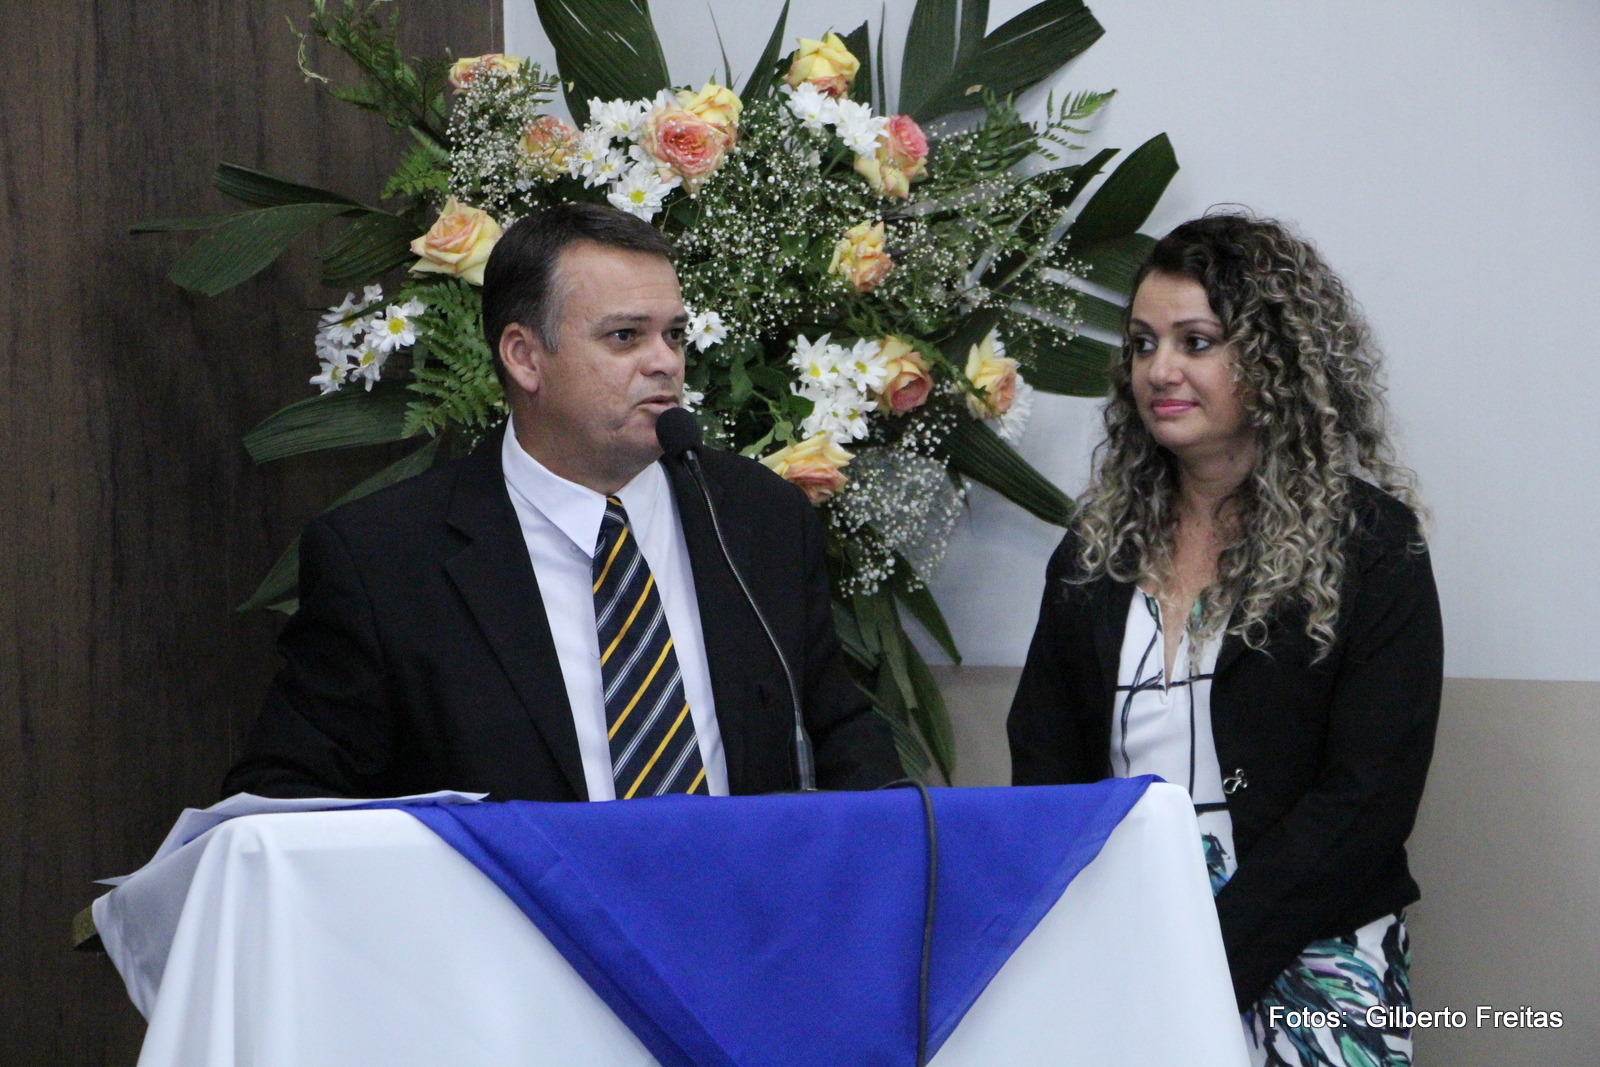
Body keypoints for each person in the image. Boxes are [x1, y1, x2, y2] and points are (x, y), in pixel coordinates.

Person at [224, 202, 901, 802]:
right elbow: (286, 797)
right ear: (524, 357)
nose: (666, 361)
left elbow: (837, 731)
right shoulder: (383, 559)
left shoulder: (758, 515)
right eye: (625, 336)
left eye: (674, 334)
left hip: (741, 900)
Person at [1007, 213, 1441, 1066]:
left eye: (1195, 341)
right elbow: (1046, 769)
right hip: (1125, 954)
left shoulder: (1372, 546)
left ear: (1274, 359)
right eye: (1142, 343)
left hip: (1316, 959)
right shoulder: (1093, 554)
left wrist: (1206, 955)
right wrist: (1110, 948)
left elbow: (1368, 796)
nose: (1159, 369)